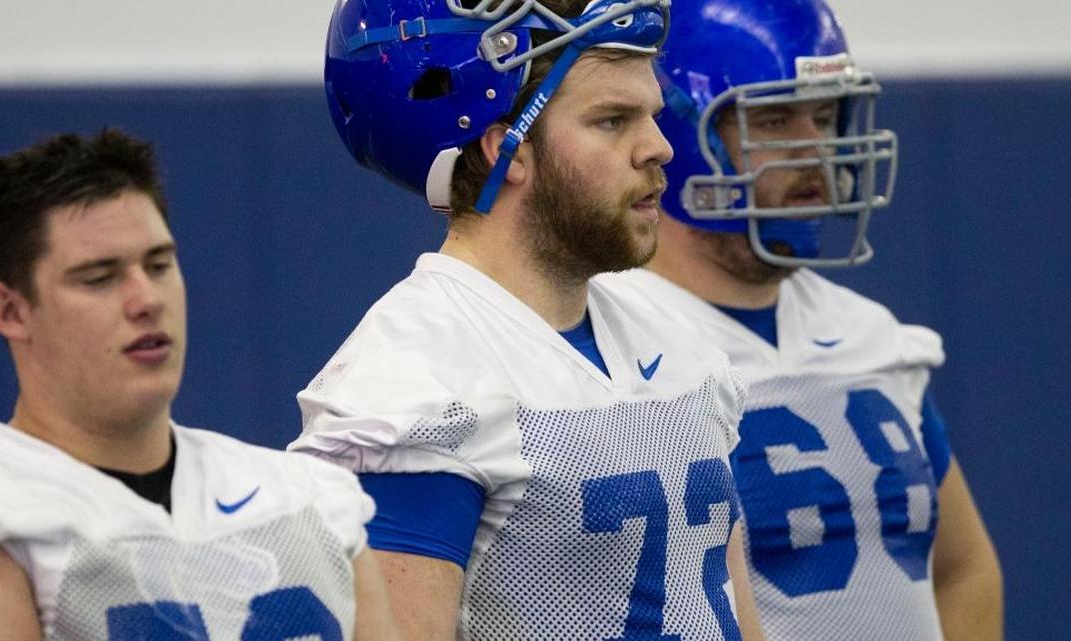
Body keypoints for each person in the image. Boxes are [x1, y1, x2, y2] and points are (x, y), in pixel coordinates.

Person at [290, 1, 765, 639]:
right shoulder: (413, 385)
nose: (658, 147)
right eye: (612, 120)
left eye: (650, 114)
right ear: (505, 148)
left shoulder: (674, 339)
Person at [598, 1, 1003, 640]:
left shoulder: (872, 333)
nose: (815, 151)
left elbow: (963, 567)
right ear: (677, 135)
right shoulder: (615, 346)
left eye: (823, 115)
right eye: (777, 120)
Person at [0, 130, 398, 641]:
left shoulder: (312, 497)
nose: (146, 299)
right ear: (10, 311)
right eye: (99, 277)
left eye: (159, 265)